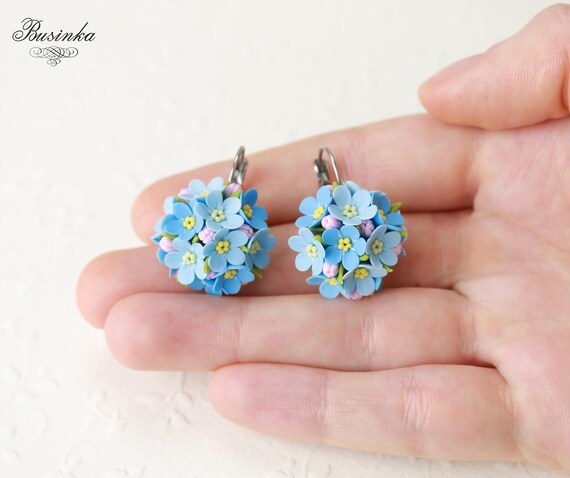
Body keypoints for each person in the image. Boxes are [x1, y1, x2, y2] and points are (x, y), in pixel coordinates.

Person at [77, 5, 570, 471]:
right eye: (222, 244)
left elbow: (373, 244)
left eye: (225, 243)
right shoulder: (254, 233)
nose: (224, 244)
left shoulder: (357, 226)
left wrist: (358, 240)